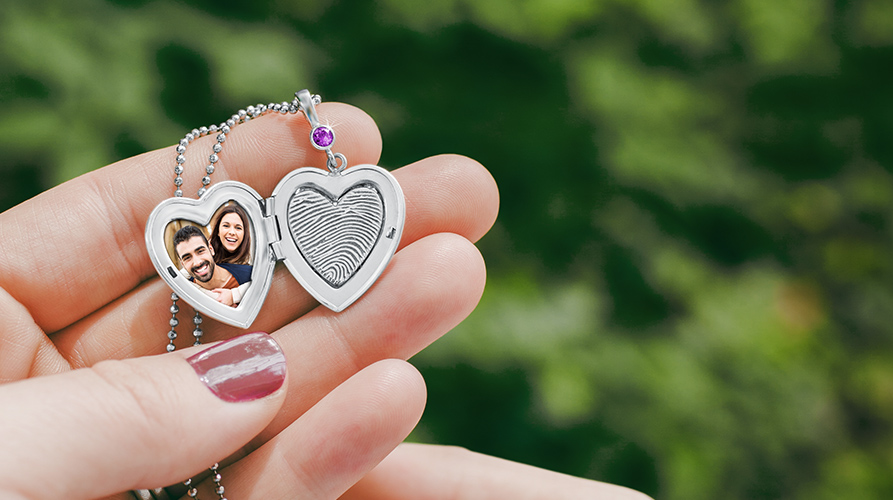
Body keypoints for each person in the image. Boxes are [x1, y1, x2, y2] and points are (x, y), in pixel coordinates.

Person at [0, 101, 652, 499]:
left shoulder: (250, 258)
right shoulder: (214, 272)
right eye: (194, 252)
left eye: (210, 246)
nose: (205, 256)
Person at [173, 224, 252, 307]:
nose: (197, 262)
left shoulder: (250, 275)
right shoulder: (183, 293)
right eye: (187, 258)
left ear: (211, 249)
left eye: (200, 251)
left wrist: (235, 295)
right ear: (182, 264)